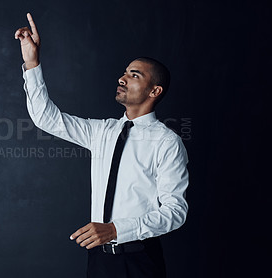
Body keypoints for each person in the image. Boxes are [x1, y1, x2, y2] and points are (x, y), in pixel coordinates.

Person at [15, 13, 189, 278]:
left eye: (134, 75)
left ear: (155, 91)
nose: (122, 78)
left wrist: (116, 229)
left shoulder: (166, 142)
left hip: (140, 261)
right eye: (124, 72)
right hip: (98, 261)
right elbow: (46, 118)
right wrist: (32, 63)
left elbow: (175, 212)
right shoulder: (103, 131)